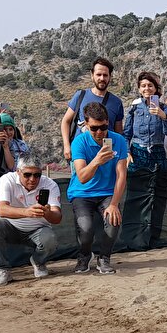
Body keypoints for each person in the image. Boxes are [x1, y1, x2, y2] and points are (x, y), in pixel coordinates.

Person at [67, 102, 127, 274]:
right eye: (94, 128)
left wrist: (114, 204)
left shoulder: (118, 141)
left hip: (107, 192)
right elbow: (83, 177)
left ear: (107, 121)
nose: (100, 132)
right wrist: (97, 161)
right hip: (82, 192)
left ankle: (104, 257)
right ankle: (85, 255)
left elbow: (121, 175)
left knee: (113, 220)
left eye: (103, 127)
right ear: (86, 124)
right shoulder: (79, 142)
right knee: (86, 228)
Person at [0, 157, 62, 287]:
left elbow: (57, 217)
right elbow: (1, 210)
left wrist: (47, 212)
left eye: (37, 175)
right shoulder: (6, 179)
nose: (32, 179)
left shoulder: (50, 184)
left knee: (50, 239)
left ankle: (38, 262)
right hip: (11, 226)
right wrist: (27, 212)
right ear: (18, 172)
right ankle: (3, 269)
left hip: (38, 229)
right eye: (27, 175)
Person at [61, 57, 124, 162]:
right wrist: (66, 146)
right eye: (98, 74)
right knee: (81, 178)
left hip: (106, 156)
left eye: (105, 75)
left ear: (110, 77)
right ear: (92, 76)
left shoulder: (116, 102)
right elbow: (65, 121)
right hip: (81, 154)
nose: (102, 78)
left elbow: (118, 132)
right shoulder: (80, 96)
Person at [124, 71, 167, 173]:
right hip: (137, 154)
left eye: (150, 85)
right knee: (136, 187)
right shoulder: (134, 108)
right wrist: (127, 152)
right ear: (139, 89)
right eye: (143, 86)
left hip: (158, 153)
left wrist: (162, 115)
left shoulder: (164, 108)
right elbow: (127, 134)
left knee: (159, 187)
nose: (147, 88)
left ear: (155, 88)